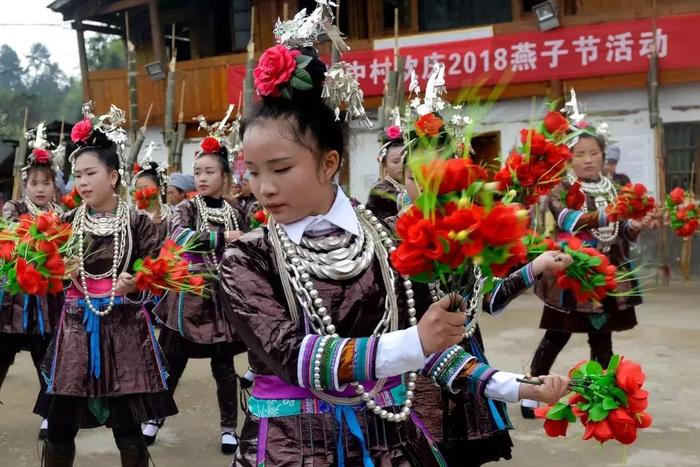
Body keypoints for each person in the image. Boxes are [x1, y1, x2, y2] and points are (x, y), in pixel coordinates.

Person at [218, 28, 570, 465]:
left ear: (330, 163)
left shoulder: (387, 240)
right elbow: (291, 355)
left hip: (389, 442)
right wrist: (415, 342)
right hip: (290, 447)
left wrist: (514, 386)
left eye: (281, 168)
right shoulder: (247, 258)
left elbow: (430, 350)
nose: (264, 188)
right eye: (252, 172)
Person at [395, 134, 573, 466]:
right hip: (409, 383)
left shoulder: (470, 231)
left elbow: (487, 301)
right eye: (412, 177)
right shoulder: (387, 234)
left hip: (467, 372)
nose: (423, 186)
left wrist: (536, 266)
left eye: (435, 175)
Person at [36, 103, 177, 466]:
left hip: (123, 330)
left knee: (127, 428)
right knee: (60, 427)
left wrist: (137, 286)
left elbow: (160, 275)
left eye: (90, 173)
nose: (81, 182)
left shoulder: (138, 223)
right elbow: (44, 276)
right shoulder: (65, 223)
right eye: (77, 174)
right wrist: (58, 273)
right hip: (75, 331)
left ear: (112, 176)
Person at [521, 114, 655, 418]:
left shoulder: (616, 187)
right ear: (568, 158)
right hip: (570, 275)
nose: (588, 160)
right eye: (579, 154)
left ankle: (600, 396)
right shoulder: (559, 189)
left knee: (602, 338)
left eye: (594, 153)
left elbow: (622, 232)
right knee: (555, 335)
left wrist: (634, 224)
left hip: (607, 276)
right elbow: (570, 220)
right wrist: (613, 214)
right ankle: (531, 390)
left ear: (603, 156)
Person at [143, 116, 248, 454]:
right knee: (172, 360)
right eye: (198, 171)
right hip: (186, 296)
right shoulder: (186, 207)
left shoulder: (237, 210)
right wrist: (223, 238)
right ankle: (155, 416)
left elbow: (247, 242)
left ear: (225, 177)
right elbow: (181, 237)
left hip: (222, 298)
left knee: (224, 366)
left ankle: (229, 427)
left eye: (209, 172)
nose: (202, 177)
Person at [0, 123, 64, 440]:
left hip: (47, 303)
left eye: (46, 183)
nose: (40, 188)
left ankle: (49, 415)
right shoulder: (14, 207)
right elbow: (12, 241)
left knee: (47, 360)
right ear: (25, 184)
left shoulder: (62, 214)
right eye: (34, 183)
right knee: (1, 357)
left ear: (55, 186)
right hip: (13, 302)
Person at [365, 120, 406, 220]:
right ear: (384, 164)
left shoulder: (411, 184)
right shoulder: (379, 189)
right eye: (396, 162)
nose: (401, 165)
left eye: (405, 160)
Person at [131, 143, 171, 242]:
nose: (142, 192)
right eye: (138, 188)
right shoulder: (132, 216)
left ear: (158, 189)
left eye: (146, 187)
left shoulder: (171, 214)